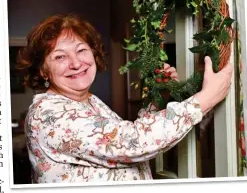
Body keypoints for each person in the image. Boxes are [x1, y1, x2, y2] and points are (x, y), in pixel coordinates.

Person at [17, 14, 232, 183]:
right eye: (60, 56)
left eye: (81, 50)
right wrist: (205, 99)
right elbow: (133, 143)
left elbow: (123, 147)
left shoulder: (87, 101)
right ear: (43, 71)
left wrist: (158, 99)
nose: (75, 63)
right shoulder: (48, 114)